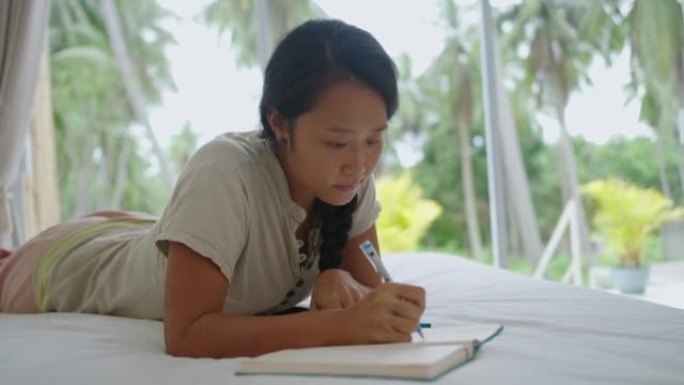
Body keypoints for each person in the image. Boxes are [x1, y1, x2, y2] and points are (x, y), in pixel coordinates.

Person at [0, 18, 426, 358]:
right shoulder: (226, 171)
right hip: (65, 265)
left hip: (139, 238)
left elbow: (371, 302)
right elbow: (188, 335)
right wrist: (339, 326)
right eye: (337, 142)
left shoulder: (348, 179)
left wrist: (340, 283)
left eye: (375, 139)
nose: (360, 162)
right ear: (279, 124)